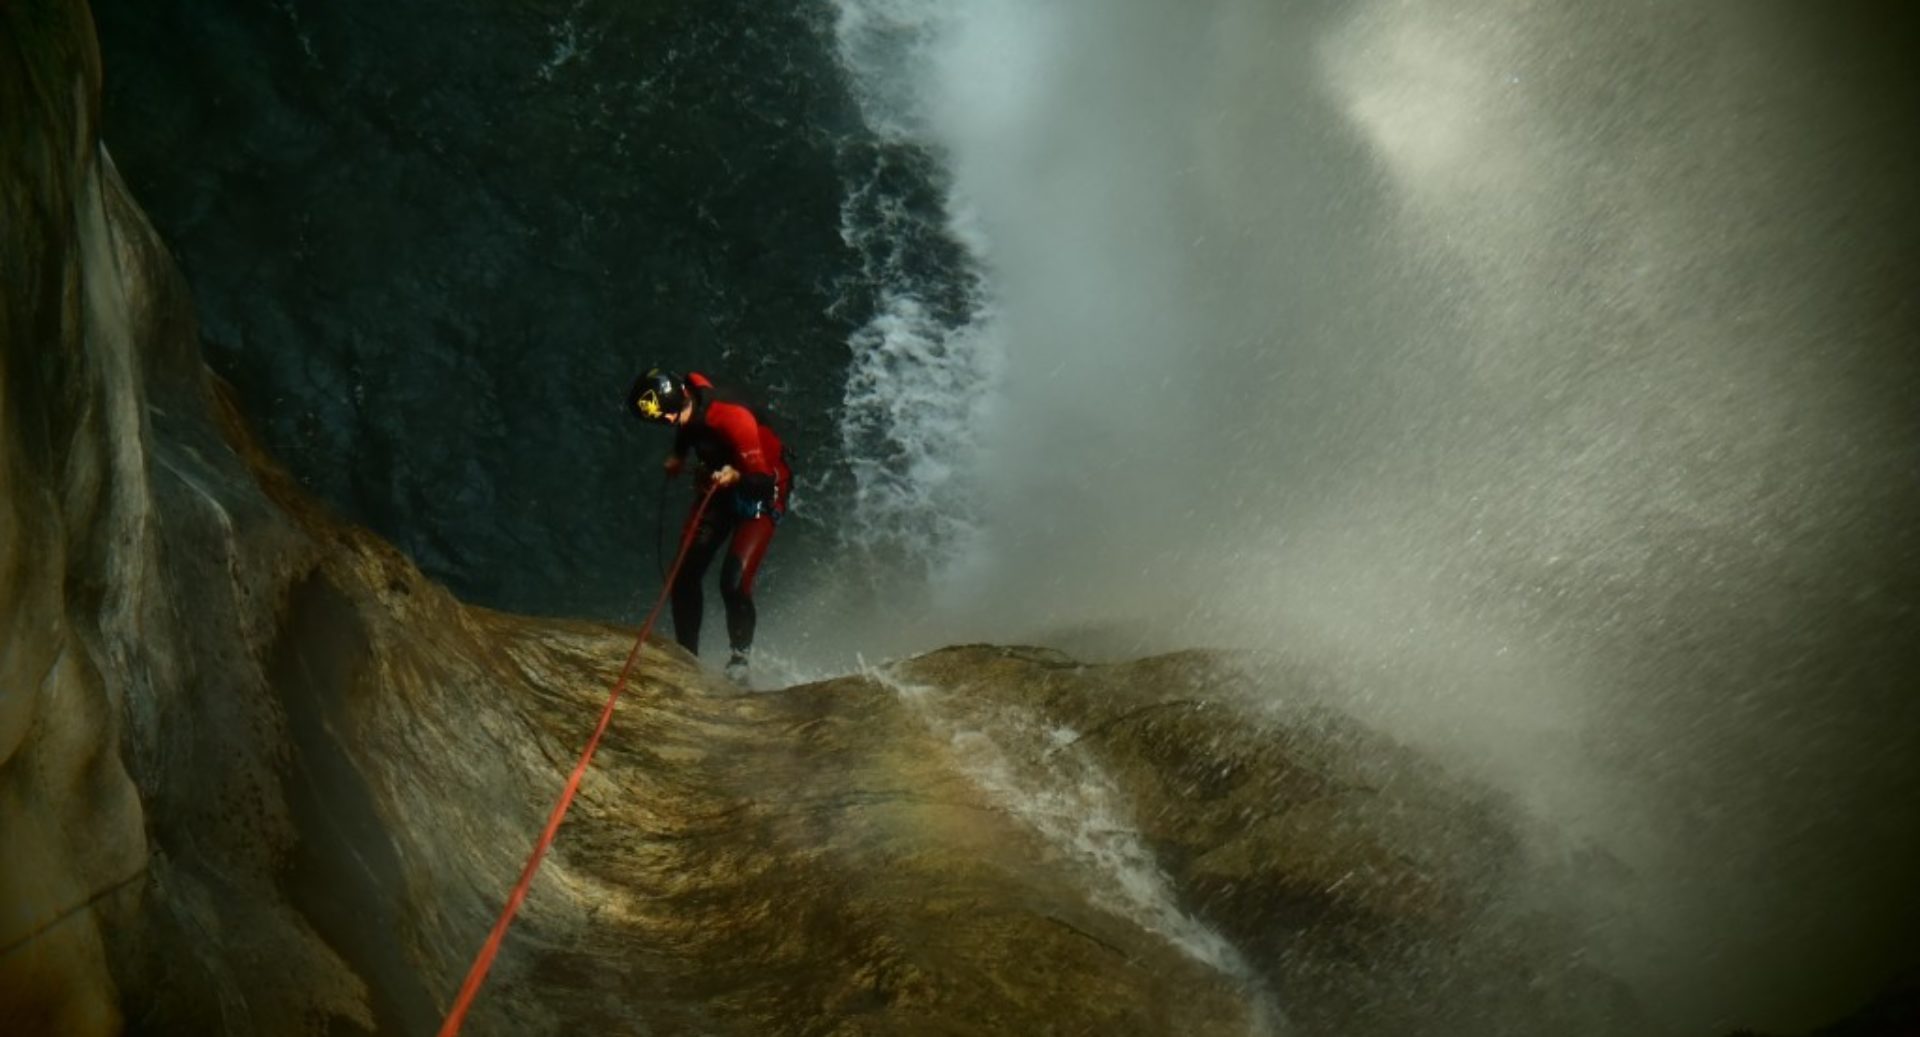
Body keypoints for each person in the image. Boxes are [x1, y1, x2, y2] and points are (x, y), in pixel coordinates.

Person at [629, 367, 791, 684]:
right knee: (684, 576)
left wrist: (737, 476)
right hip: (720, 488)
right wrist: (678, 455)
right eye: (665, 419)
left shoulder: (731, 417)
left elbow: (761, 480)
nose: (672, 422)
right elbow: (687, 425)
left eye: (672, 415)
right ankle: (687, 658)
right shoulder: (688, 398)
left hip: (761, 489)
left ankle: (740, 661)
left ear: (682, 400)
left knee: (732, 582)